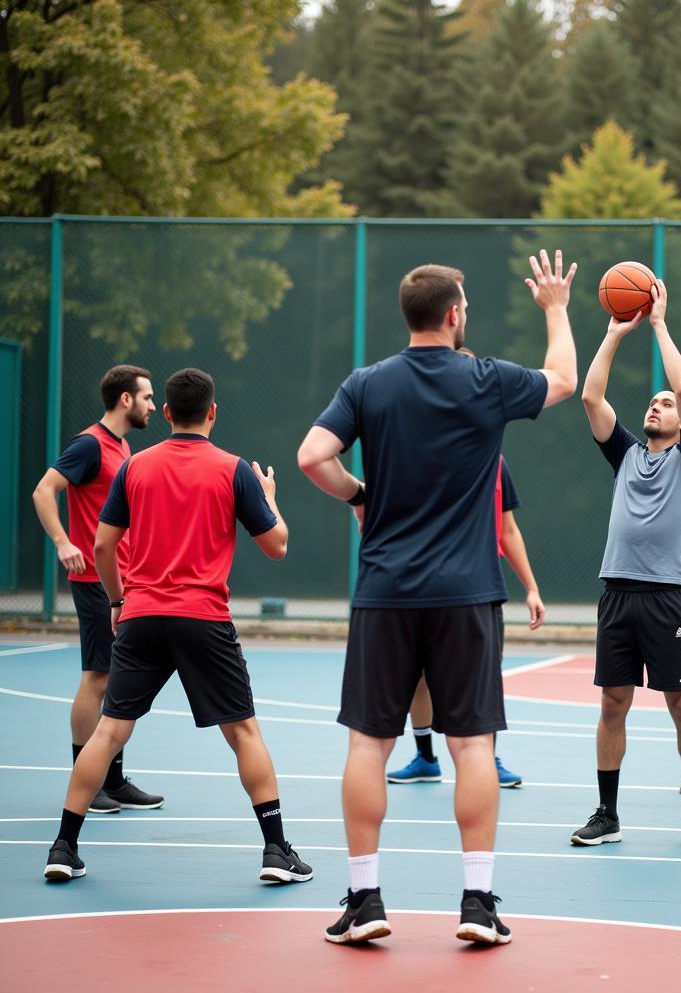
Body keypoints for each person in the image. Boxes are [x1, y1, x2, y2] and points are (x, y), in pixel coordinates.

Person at [297, 251, 577, 946]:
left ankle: (365, 901)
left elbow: (310, 457)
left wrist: (359, 493)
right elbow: (567, 379)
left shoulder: (367, 384)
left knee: (370, 744)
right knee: (472, 745)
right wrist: (554, 307)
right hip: (466, 593)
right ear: (454, 316)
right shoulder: (485, 381)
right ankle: (477, 903)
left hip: (386, 589)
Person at [42, 369, 313, 887]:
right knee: (243, 732)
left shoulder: (135, 466)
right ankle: (276, 851)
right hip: (203, 618)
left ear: (166, 413)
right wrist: (270, 498)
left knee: (110, 730)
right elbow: (276, 545)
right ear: (213, 412)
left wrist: (119, 601)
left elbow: (101, 546)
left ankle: (63, 846)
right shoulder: (233, 471)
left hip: (142, 614)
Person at [571, 280, 681, 852]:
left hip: (667, 595)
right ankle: (607, 813)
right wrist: (613, 333)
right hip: (619, 594)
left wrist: (657, 323)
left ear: (680, 421)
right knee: (613, 702)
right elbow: (590, 397)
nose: (655, 406)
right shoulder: (627, 452)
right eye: (650, 403)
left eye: (663, 404)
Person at [32, 365, 163, 814]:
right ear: (125, 399)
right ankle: (86, 782)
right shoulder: (89, 444)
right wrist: (63, 541)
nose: (152, 405)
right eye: (147, 397)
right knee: (98, 675)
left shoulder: (122, 446)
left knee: (117, 678)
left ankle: (112, 779)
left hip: (123, 579)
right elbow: (44, 490)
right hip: (93, 580)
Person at [387, 452, 544, 788]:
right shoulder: (420, 453)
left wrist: (531, 587)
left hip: (480, 585)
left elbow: (509, 530)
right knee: (419, 674)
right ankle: (425, 757)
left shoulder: (497, 462)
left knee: (485, 677)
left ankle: (486, 757)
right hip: (423, 581)